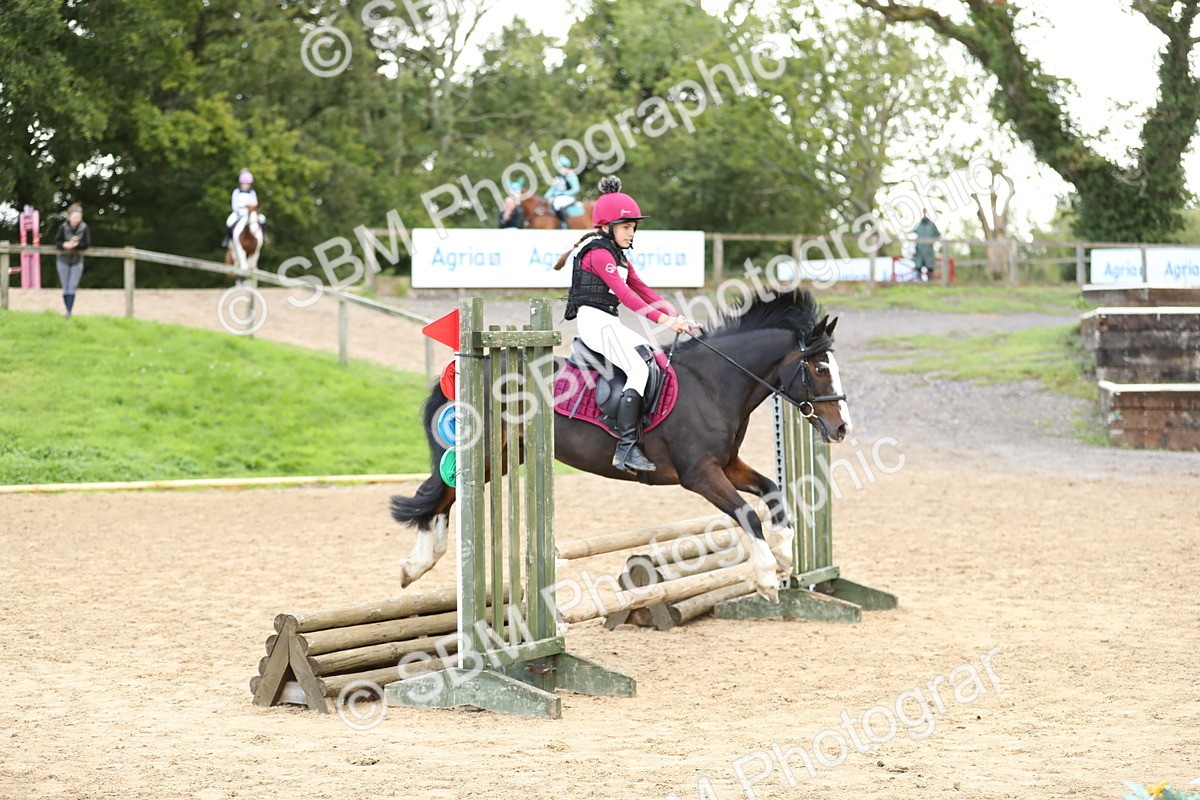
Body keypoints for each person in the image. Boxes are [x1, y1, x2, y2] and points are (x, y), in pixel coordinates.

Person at [552, 176, 696, 473]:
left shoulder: (618, 255)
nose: (631, 233)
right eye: (626, 227)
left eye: (633, 227)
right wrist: (664, 320)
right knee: (639, 368)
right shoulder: (598, 252)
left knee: (651, 359)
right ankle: (626, 447)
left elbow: (645, 291)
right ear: (608, 227)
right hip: (594, 323)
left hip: (609, 322)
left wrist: (676, 316)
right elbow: (626, 296)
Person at [54, 203, 90, 319]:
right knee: (65, 286)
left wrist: (76, 245)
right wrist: (65, 245)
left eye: (78, 218)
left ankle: (69, 311)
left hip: (77, 261)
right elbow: (57, 242)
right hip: (62, 260)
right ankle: (68, 311)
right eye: (74, 218)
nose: (76, 220)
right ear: (69, 217)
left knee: (72, 286)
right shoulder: (63, 227)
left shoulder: (84, 227)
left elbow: (87, 244)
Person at [223, 169, 263, 247]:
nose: (245, 185)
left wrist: (252, 211)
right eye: (244, 183)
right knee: (229, 222)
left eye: (247, 184)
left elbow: (255, 203)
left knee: (262, 220)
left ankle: (264, 237)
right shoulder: (236, 192)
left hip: (250, 212)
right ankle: (227, 239)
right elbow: (234, 204)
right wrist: (238, 211)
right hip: (239, 212)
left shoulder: (252, 192)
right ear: (240, 183)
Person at [544, 156, 581, 228]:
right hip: (559, 197)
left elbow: (576, 189)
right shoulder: (558, 177)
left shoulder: (571, 176)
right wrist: (545, 197)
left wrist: (564, 193)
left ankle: (565, 223)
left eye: (561, 168)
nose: (559, 170)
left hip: (569, 197)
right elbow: (552, 189)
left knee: (557, 204)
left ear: (566, 167)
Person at [913, 209, 940, 281]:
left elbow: (937, 235)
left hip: (929, 251)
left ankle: (930, 282)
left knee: (930, 267)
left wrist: (932, 242)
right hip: (919, 250)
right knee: (918, 266)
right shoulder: (918, 225)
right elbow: (911, 234)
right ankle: (918, 283)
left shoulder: (931, 225)